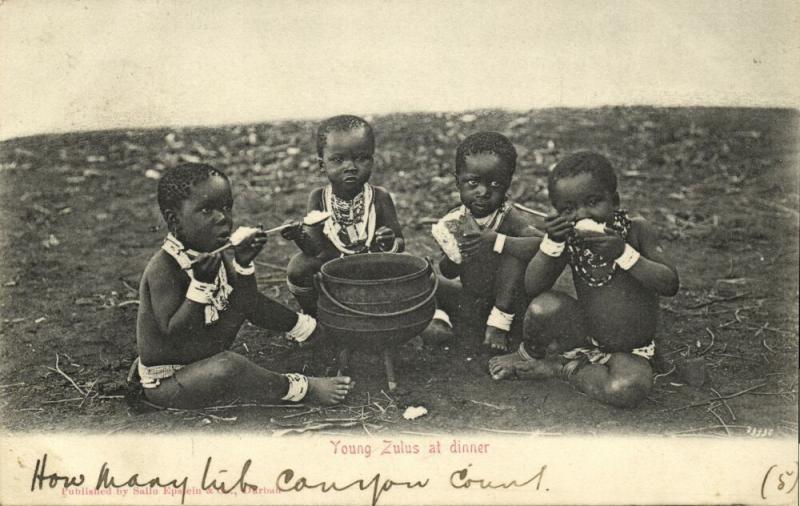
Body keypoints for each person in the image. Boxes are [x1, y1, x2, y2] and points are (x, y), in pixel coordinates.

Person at [134, 163, 353, 409]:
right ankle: (302, 388)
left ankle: (313, 333)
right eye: (207, 210)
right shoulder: (164, 268)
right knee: (230, 366)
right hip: (170, 382)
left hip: (203, 358)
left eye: (226, 207)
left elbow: (249, 303)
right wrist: (201, 285)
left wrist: (243, 264)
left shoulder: (210, 253)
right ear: (175, 220)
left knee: (241, 311)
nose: (222, 218)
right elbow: (177, 334)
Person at [489, 152, 679, 408]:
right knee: (541, 307)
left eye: (593, 202)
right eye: (568, 209)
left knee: (626, 387)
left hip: (630, 349)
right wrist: (552, 243)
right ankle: (531, 354)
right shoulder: (570, 240)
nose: (581, 214)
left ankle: (561, 368)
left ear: (615, 200)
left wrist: (623, 253)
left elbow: (669, 283)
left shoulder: (636, 231)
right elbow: (533, 286)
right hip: (586, 334)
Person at [427, 132, 544, 353]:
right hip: (475, 300)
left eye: (495, 184)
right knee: (428, 277)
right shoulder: (455, 221)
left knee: (514, 257)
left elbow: (542, 244)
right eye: (473, 182)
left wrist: (497, 241)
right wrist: (457, 256)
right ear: (457, 182)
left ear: (508, 184)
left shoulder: (506, 216)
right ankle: (439, 320)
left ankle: (499, 324)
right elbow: (448, 272)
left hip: (509, 304)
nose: (483, 192)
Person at [283, 115, 404, 316]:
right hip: (333, 265)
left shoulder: (380, 197)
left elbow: (400, 242)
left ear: (372, 161)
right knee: (298, 266)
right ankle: (315, 317)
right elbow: (314, 250)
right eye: (338, 160)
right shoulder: (318, 198)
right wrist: (298, 235)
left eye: (361, 158)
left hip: (373, 264)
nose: (351, 167)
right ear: (322, 165)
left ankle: (385, 313)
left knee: (411, 265)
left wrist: (388, 241)